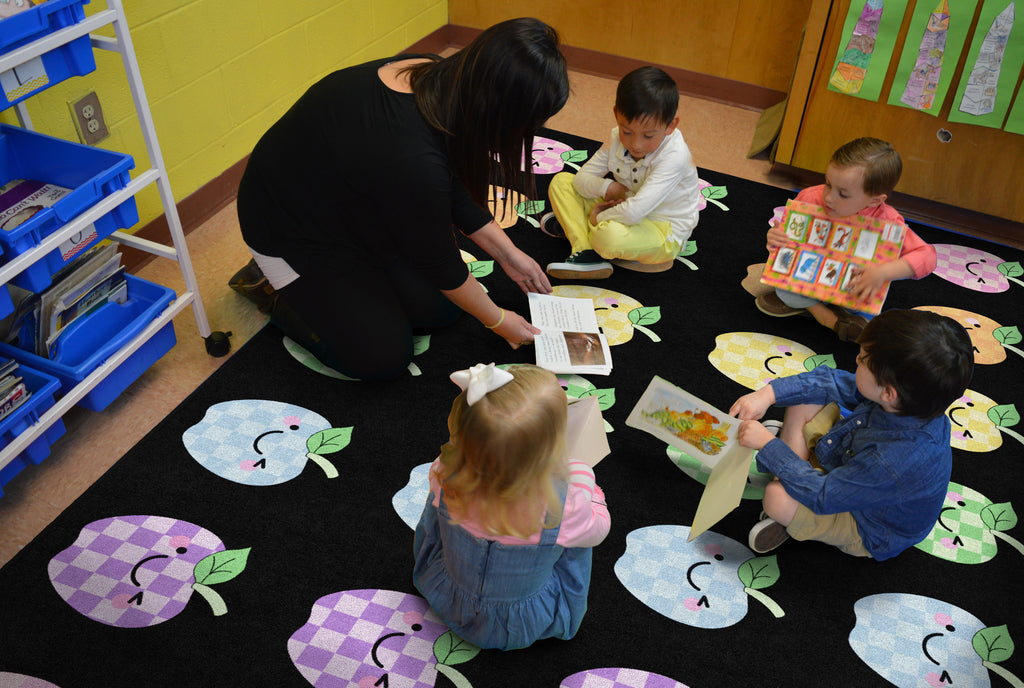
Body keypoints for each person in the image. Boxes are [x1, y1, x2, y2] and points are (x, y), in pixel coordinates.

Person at [232, 18, 568, 380]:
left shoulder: (435, 75)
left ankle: (350, 286)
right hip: (289, 230)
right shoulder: (411, 157)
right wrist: (499, 321)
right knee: (381, 356)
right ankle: (269, 286)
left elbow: (448, 183)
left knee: (441, 311)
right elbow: (440, 260)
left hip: (357, 206)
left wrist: (508, 254)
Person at [728, 309, 973, 560]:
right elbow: (831, 382)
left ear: (888, 393)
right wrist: (767, 394)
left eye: (864, 360)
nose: (856, 359)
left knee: (776, 498)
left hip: (867, 524)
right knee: (807, 397)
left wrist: (768, 446)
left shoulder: (891, 461)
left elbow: (824, 495)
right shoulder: (909, 402)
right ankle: (792, 472)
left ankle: (789, 501)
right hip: (852, 469)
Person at [413, 363, 610, 650]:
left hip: (447, 593)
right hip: (519, 621)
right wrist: (584, 478)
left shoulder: (444, 472)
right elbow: (599, 530)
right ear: (550, 448)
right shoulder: (563, 504)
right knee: (577, 537)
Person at [749, 137, 936, 342]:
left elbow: (927, 257)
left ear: (874, 200)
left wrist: (883, 273)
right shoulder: (810, 198)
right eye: (828, 184)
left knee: (862, 305)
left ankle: (818, 309)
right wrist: (775, 239)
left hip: (851, 286)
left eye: (843, 194)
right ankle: (825, 316)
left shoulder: (888, 222)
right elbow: (786, 240)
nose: (829, 197)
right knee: (784, 289)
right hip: (809, 274)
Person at [543, 66, 700, 279]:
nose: (635, 144)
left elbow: (633, 213)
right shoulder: (617, 137)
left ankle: (582, 230)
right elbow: (581, 179)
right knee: (562, 181)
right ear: (616, 114)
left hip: (662, 229)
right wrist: (607, 187)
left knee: (608, 237)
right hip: (624, 205)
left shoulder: (675, 157)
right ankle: (586, 250)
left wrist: (599, 217)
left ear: (671, 125)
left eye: (648, 136)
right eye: (627, 131)